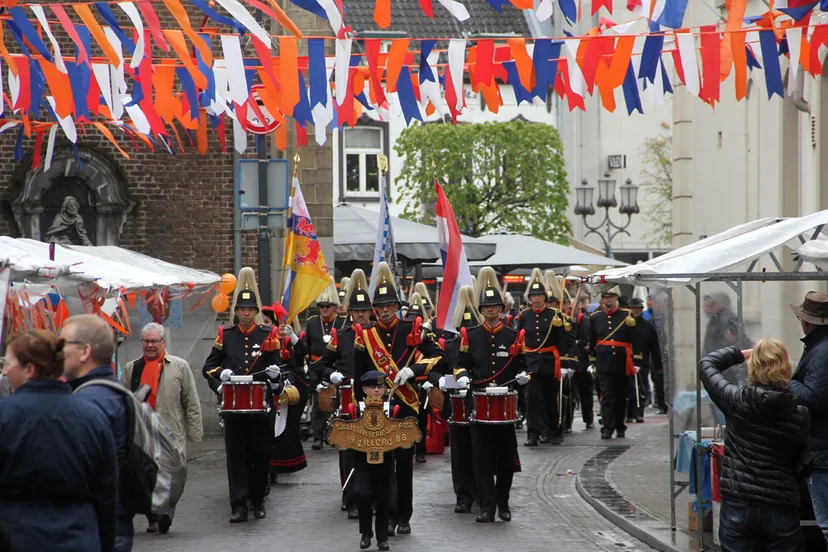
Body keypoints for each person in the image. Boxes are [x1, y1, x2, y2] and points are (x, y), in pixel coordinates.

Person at [0, 329, 118, 552]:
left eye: (8, 363)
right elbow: (107, 494)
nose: (5, 370)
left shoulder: (4, 416)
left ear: (30, 369)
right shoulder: (92, 417)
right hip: (78, 538)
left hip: (15, 537)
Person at [352, 261, 446, 536]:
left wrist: (414, 370)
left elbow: (437, 355)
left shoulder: (411, 328)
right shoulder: (365, 335)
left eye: (389, 304)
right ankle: (385, 515)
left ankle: (403, 514)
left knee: (404, 462)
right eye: (380, 306)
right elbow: (359, 376)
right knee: (380, 463)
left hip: (406, 405)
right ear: (374, 308)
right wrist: (361, 405)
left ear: (396, 305)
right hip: (376, 407)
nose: (384, 309)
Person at [700, 341, 810, 551]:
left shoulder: (735, 400)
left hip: (739, 502)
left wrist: (740, 355)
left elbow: (707, 364)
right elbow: (802, 462)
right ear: (786, 367)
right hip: (781, 505)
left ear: (754, 365)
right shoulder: (800, 414)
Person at [202, 267, 284, 523]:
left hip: (261, 407)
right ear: (236, 312)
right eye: (242, 310)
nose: (247, 314)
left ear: (256, 312)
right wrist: (220, 380)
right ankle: (238, 505)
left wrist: (274, 376)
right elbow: (209, 368)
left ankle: (258, 500)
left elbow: (281, 368)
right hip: (234, 407)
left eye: (251, 310)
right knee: (236, 456)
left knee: (261, 454)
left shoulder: (268, 334)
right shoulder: (225, 335)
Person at [454, 267, 529, 523]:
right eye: (486, 306)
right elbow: (460, 362)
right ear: (480, 309)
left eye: (495, 306)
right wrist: (462, 375)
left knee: (507, 458)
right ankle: (487, 507)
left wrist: (523, 376)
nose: (490, 310)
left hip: (505, 405)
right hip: (479, 402)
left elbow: (523, 365)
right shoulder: (470, 335)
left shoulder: (512, 335)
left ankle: (503, 502)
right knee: (481, 459)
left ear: (501, 308)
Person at [60, 314, 133, 552]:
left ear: (85, 352)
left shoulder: (90, 403)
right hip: (110, 521)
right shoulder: (108, 392)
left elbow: (77, 472)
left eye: (62, 344)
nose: (57, 352)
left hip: (95, 526)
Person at [122, 322, 203, 535]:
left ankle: (166, 513)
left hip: (171, 431)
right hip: (142, 432)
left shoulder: (179, 366)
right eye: (146, 341)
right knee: (145, 476)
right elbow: (124, 402)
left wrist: (195, 432)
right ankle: (154, 517)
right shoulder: (132, 368)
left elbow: (191, 401)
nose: (149, 345)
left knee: (173, 473)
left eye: (154, 341)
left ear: (163, 342)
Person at [314, 269, 373, 519]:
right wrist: (332, 375)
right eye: (356, 311)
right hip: (348, 401)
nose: (361, 314)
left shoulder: (378, 335)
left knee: (374, 452)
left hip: (374, 401)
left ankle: (370, 499)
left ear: (370, 311)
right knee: (348, 452)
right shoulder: (341, 336)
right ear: (350, 313)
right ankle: (350, 500)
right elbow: (321, 365)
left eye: (364, 310)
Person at [788, 291, 828, 543]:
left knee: (825, 523)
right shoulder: (818, 347)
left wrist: (787, 382)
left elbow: (813, 398)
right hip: (821, 448)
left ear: (808, 321)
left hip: (823, 452)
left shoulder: (822, 351)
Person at [517, 268, 573, 446]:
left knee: (550, 399)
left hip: (550, 362)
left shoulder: (555, 315)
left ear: (544, 296)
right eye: (533, 295)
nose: (536, 298)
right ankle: (533, 434)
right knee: (532, 399)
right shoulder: (524, 316)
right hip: (532, 362)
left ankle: (553, 431)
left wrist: (566, 363)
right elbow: (519, 339)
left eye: (539, 295)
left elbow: (565, 341)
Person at [442, 284, 480, 514]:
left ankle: (482, 493)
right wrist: (439, 380)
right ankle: (463, 496)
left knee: (482, 453)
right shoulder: (447, 346)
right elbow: (437, 369)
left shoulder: (484, 341)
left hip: (481, 405)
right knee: (460, 455)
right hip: (457, 407)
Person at [267, 303, 310, 481]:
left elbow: (303, 353)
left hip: (293, 386)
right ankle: (270, 466)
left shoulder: (292, 338)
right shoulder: (265, 338)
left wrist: (292, 338)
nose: (266, 324)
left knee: (287, 426)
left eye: (268, 321)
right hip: (271, 384)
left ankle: (282, 463)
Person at [353, 370, 394, 551]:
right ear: (364, 389)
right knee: (361, 493)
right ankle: (365, 531)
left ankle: (382, 538)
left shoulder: (392, 409)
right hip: (362, 460)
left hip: (385, 460)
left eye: (380, 387)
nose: (376, 391)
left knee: (383, 498)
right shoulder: (355, 409)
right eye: (372, 387)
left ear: (385, 389)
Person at [305, 280, 348, 450]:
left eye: (328, 306)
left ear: (335, 307)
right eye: (321, 306)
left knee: (337, 403)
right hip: (317, 367)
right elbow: (307, 346)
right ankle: (318, 436)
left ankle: (335, 434)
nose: (324, 309)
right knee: (318, 403)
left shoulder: (343, 323)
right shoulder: (312, 323)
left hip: (336, 367)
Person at [589, 287, 637, 440]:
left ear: (616, 298)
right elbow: (592, 340)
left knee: (621, 396)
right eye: (605, 297)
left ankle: (620, 426)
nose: (608, 300)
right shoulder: (595, 317)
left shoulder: (626, 316)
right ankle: (607, 428)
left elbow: (634, 339)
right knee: (607, 396)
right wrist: (591, 360)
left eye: (611, 297)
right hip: (604, 362)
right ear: (602, 299)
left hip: (622, 362)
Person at [626, 298, 662, 424]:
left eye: (637, 308)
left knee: (640, 388)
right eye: (632, 308)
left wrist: (658, 364)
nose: (634, 310)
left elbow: (654, 347)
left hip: (641, 362)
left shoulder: (647, 326)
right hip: (624, 361)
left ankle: (638, 413)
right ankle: (628, 413)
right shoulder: (623, 323)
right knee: (626, 389)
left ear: (641, 310)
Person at [572, 295, 594, 429]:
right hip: (570, 363)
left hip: (583, 363)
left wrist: (578, 343)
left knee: (585, 393)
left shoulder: (584, 320)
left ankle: (588, 419)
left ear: (579, 306)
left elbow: (587, 341)